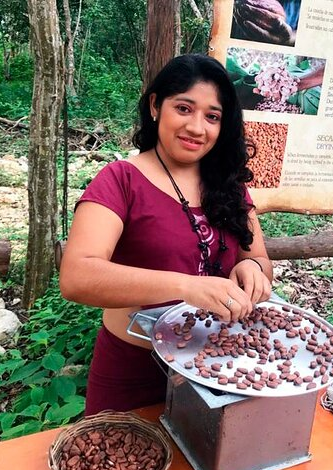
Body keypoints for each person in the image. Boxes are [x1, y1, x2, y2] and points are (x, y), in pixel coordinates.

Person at [59, 54, 274, 416]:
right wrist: (186, 286)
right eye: (184, 108)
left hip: (219, 368)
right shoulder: (120, 180)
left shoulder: (227, 184)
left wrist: (253, 271)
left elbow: (258, 258)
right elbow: (77, 276)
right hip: (134, 371)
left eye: (212, 116)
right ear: (156, 106)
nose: (197, 127)